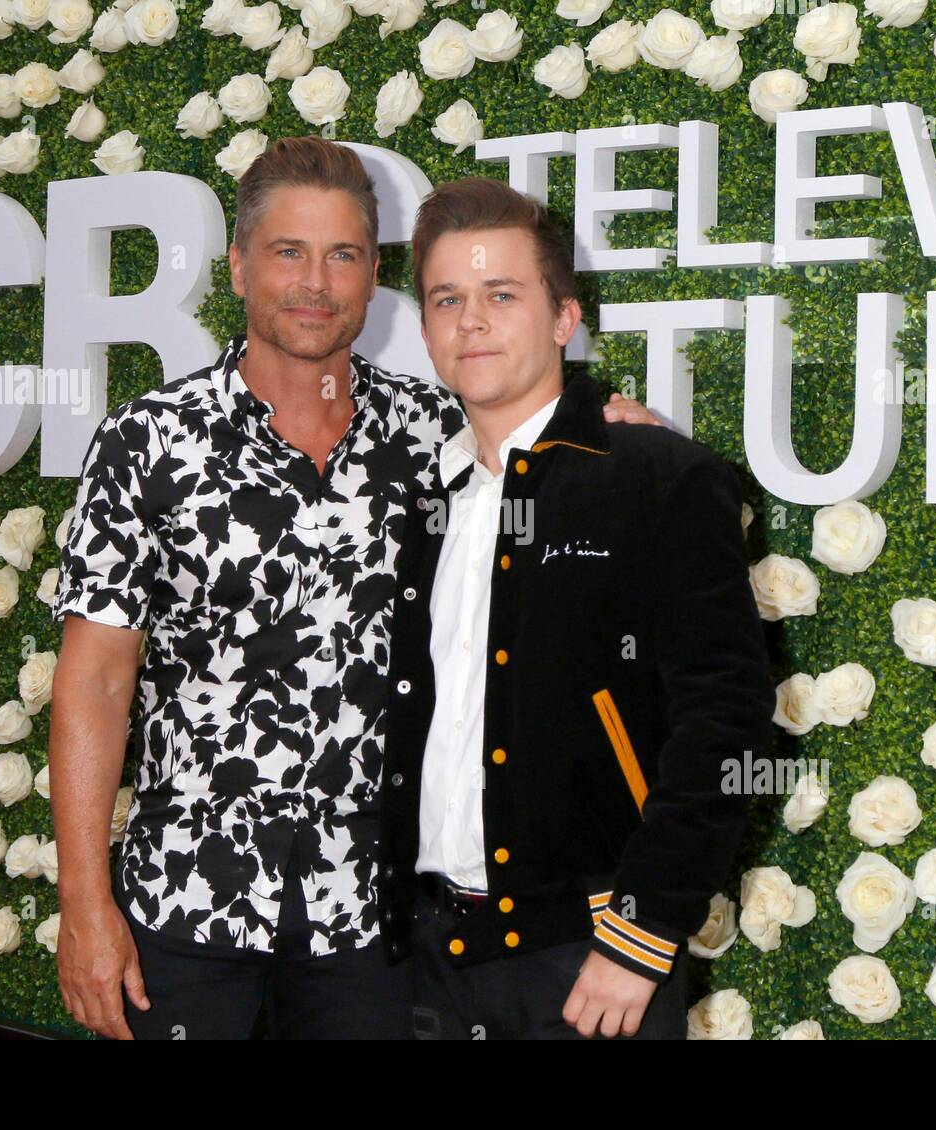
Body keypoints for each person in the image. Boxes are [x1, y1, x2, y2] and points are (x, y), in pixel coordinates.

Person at [48, 137, 658, 1040]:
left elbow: (542, 432)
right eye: (288, 251)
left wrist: (614, 430)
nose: (315, 282)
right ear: (238, 265)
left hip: (372, 921)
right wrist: (84, 906)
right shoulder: (148, 441)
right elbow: (94, 682)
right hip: (182, 903)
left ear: (374, 275)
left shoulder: (433, 434)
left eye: (342, 256)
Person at [376, 177, 778, 1040]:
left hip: (587, 960)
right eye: (448, 299)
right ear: (425, 330)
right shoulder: (418, 502)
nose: (471, 320)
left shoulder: (658, 478)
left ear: (564, 317)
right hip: (421, 962)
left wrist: (641, 934)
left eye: (502, 295)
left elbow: (727, 717)